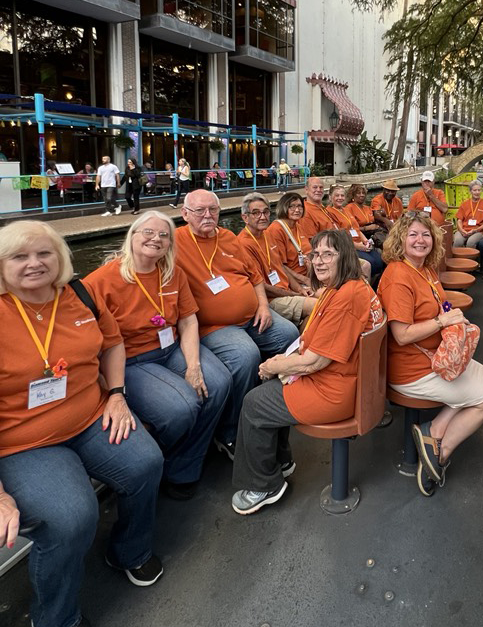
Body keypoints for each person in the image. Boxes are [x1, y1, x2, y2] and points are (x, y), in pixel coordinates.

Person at [0, 222, 164, 627]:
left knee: (145, 462)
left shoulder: (78, 296)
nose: (34, 264)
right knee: (72, 515)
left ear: (60, 259)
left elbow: (112, 345)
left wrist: (116, 394)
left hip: (91, 415)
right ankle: (56, 616)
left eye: (44, 254)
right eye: (19, 257)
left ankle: (129, 550)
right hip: (22, 444)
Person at [231, 229, 382, 515]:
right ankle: (282, 462)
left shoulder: (346, 297)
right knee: (267, 394)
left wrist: (273, 365)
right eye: (315, 255)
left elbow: (314, 362)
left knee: (254, 403)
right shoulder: (345, 288)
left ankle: (264, 485)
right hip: (348, 379)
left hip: (333, 390)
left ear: (345, 257)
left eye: (328, 254)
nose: (319, 261)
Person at [85, 213, 232, 500]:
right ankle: (166, 459)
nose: (156, 239)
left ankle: (183, 464)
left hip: (172, 348)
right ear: (132, 235)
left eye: (164, 235)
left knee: (219, 382)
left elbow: (188, 320)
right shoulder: (101, 281)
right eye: (148, 232)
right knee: (180, 408)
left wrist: (193, 365)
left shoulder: (172, 272)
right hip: (133, 360)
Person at [377, 213, 483, 496]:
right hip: (412, 369)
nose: (421, 240)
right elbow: (401, 335)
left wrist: (453, 317)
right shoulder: (398, 276)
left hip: (434, 357)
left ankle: (435, 426)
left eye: (426, 235)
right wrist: (442, 323)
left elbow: (441, 304)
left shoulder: (426, 269)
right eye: (413, 235)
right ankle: (439, 450)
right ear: (400, 240)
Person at [174, 189, 299, 461]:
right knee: (245, 355)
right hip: (215, 327)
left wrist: (264, 306)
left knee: (289, 334)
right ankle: (230, 430)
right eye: (200, 211)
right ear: (185, 214)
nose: (208, 215)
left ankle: (278, 405)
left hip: (254, 316)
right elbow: (138, 254)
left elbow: (255, 278)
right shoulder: (174, 242)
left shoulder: (228, 237)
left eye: (213, 210)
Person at [238, 193, 316, 327]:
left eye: (266, 212)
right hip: (271, 298)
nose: (262, 217)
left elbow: (281, 267)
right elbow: (260, 285)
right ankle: (304, 343)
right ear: (245, 217)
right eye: (256, 213)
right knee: (318, 306)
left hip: (286, 290)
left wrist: (299, 289)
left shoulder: (266, 234)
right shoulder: (243, 243)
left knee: (328, 298)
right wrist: (294, 294)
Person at [326, 183, 384, 279]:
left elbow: (356, 229)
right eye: (337, 195)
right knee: (371, 263)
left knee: (380, 261)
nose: (340, 198)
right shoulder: (330, 213)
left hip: (360, 243)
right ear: (330, 197)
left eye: (342, 195)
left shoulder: (345, 210)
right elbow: (339, 237)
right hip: (348, 246)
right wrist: (359, 246)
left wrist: (366, 241)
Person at [265, 191, 313, 287]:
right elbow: (280, 266)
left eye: (300, 206)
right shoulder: (276, 230)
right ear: (284, 207)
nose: (297, 210)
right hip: (296, 282)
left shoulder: (298, 226)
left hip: (309, 275)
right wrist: (304, 280)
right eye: (292, 206)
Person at [453, 179, 483, 249]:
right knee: (457, 241)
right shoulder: (464, 203)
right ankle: (457, 259)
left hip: (478, 231)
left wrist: (476, 230)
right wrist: (462, 230)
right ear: (470, 191)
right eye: (474, 190)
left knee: (470, 243)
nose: (477, 192)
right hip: (464, 229)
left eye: (479, 190)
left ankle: (469, 259)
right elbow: (459, 220)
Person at [298, 176, 335, 240]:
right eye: (315, 187)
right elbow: (312, 242)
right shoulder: (305, 212)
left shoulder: (321, 207)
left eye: (321, 187)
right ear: (306, 190)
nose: (318, 190)